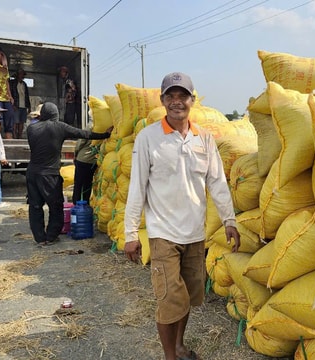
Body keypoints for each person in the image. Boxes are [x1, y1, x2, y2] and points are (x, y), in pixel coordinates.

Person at [124, 72, 241, 360]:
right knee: (169, 299)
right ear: (162, 100)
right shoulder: (148, 137)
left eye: (183, 96)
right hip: (163, 232)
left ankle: (179, 346)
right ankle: (170, 357)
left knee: (187, 297)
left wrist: (229, 220)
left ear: (192, 100)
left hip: (194, 232)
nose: (177, 102)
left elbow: (217, 182)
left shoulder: (204, 139)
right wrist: (130, 234)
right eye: (170, 96)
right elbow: (137, 186)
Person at [26, 102, 112, 246]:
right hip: (50, 174)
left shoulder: (31, 128)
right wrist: (106, 134)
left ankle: (40, 238)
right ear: (55, 114)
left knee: (35, 206)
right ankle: (51, 236)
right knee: (56, 205)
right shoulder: (59, 127)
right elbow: (84, 134)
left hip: (32, 173)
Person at [72, 134, 98, 205]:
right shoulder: (105, 128)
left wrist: (75, 154)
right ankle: (86, 205)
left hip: (82, 159)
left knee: (78, 184)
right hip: (93, 161)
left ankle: (76, 205)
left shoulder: (91, 126)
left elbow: (80, 143)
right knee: (88, 184)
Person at [10, 68, 31, 139]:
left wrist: (29, 106)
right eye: (20, 74)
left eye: (23, 74)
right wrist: (12, 104)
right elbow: (10, 94)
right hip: (16, 105)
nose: (22, 75)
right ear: (17, 75)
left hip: (23, 106)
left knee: (22, 122)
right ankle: (14, 137)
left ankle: (19, 137)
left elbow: (27, 95)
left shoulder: (24, 84)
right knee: (15, 122)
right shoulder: (12, 83)